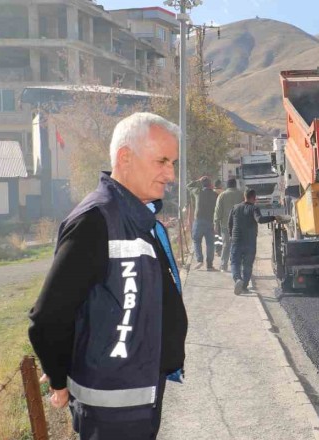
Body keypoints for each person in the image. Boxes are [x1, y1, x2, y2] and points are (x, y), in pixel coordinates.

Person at [28, 113, 187, 439]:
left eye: (173, 162)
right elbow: (48, 316)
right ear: (125, 158)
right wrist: (58, 377)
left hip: (140, 394)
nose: (170, 174)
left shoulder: (138, 217)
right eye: (162, 161)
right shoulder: (96, 221)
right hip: (112, 410)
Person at [228, 188, 280, 293]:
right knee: (247, 264)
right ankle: (244, 286)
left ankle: (237, 279)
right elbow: (259, 219)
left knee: (234, 262)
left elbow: (229, 223)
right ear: (254, 198)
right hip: (249, 242)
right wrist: (273, 217)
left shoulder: (235, 207)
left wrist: (231, 236)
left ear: (244, 196)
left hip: (236, 240)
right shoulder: (254, 208)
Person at [187, 176, 218, 271]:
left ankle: (200, 260)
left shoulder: (198, 192)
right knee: (210, 244)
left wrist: (198, 180)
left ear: (202, 184)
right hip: (210, 221)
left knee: (196, 240)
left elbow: (188, 186)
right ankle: (209, 265)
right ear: (211, 185)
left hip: (199, 221)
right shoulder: (215, 195)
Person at [214, 178, 241, 272]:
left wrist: (216, 223)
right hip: (239, 225)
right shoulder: (241, 194)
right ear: (235, 185)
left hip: (225, 225)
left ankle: (223, 265)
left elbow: (218, 211)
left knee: (226, 245)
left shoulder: (222, 195)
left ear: (227, 186)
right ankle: (238, 265)